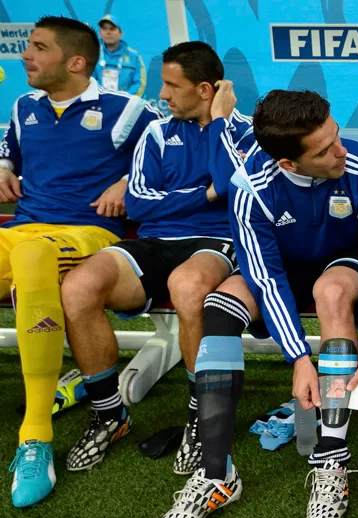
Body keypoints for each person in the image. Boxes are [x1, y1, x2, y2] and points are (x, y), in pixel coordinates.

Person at [155, 89, 358, 518]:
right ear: (288, 163)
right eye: (324, 150)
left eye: (336, 135)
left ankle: (331, 459)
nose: (340, 150)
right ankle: (216, 474)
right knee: (219, 307)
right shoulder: (251, 187)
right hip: (279, 268)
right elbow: (267, 278)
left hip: (342, 269)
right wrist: (299, 359)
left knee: (332, 292)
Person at [59, 42, 253, 477]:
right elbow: (141, 205)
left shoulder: (246, 131)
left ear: (206, 90)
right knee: (78, 287)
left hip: (215, 240)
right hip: (152, 243)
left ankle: (200, 416)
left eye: (172, 85)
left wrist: (219, 126)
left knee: (188, 287)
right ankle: (110, 414)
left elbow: (235, 190)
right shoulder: (157, 132)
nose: (163, 95)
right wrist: (204, 195)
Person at [1, 16, 159, 508]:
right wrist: (4, 168)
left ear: (75, 62)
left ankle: (35, 436)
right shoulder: (25, 106)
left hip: (86, 234)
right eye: (28, 46)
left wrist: (128, 184)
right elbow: (11, 153)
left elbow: (171, 160)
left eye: (38, 48)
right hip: (24, 226)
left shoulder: (129, 110)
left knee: (33, 260)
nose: (26, 55)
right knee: (28, 249)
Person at [93, 14, 147, 97]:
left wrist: (124, 101)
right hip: (97, 102)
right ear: (100, 33)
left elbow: (140, 84)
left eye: (112, 29)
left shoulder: (134, 56)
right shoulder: (93, 53)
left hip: (126, 104)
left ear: (121, 33)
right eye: (104, 29)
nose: (108, 32)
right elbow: (87, 79)